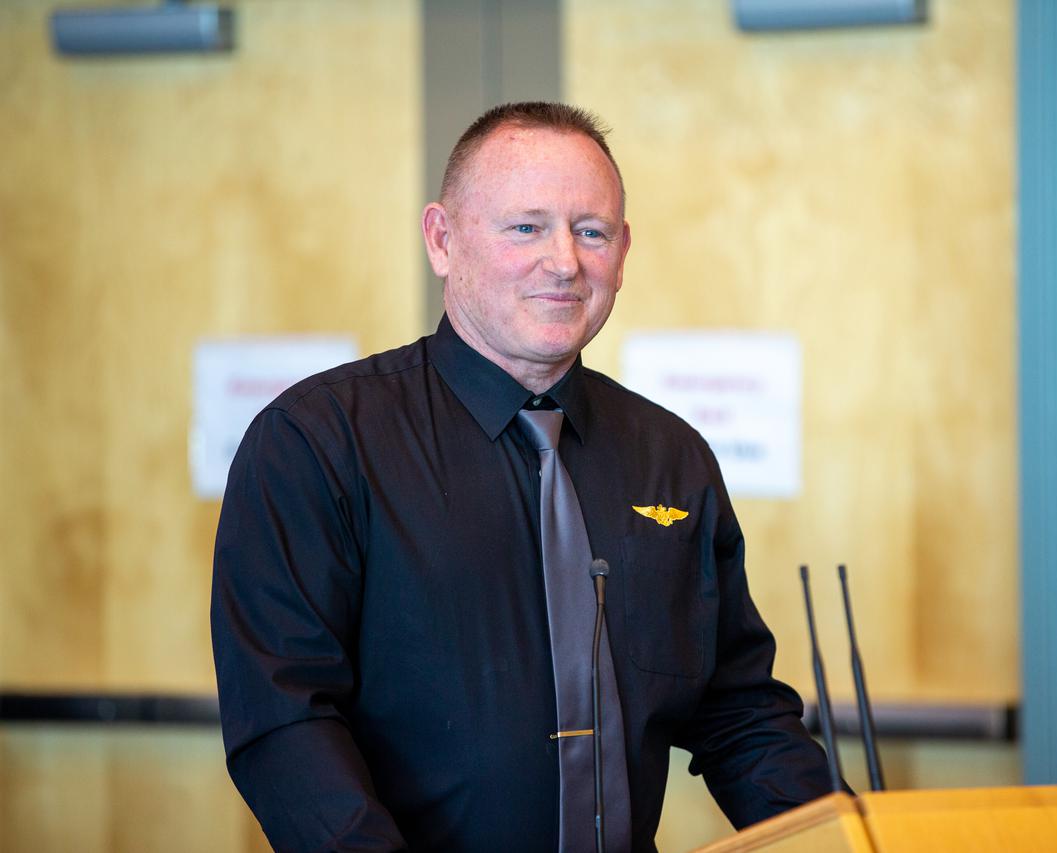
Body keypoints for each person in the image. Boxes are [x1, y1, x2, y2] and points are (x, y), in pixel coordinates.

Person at [211, 101, 835, 852]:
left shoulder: (673, 457)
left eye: (591, 231)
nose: (565, 261)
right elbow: (286, 726)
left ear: (624, 251)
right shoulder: (315, 444)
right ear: (442, 240)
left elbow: (736, 712)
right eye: (526, 227)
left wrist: (854, 836)